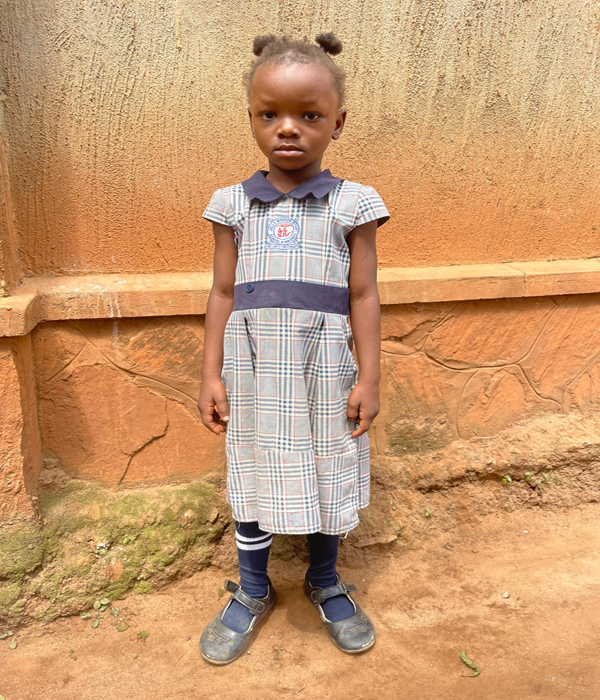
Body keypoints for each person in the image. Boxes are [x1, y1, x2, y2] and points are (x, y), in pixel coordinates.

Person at [197, 32, 390, 665]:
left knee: (328, 469)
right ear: (251, 117)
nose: (287, 128)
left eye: (309, 115)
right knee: (253, 469)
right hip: (253, 373)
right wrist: (210, 375)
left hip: (325, 372)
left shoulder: (353, 203)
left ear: (338, 121)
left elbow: (364, 295)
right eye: (269, 114)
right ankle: (253, 588)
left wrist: (370, 379)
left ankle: (325, 579)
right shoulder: (232, 205)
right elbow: (222, 293)